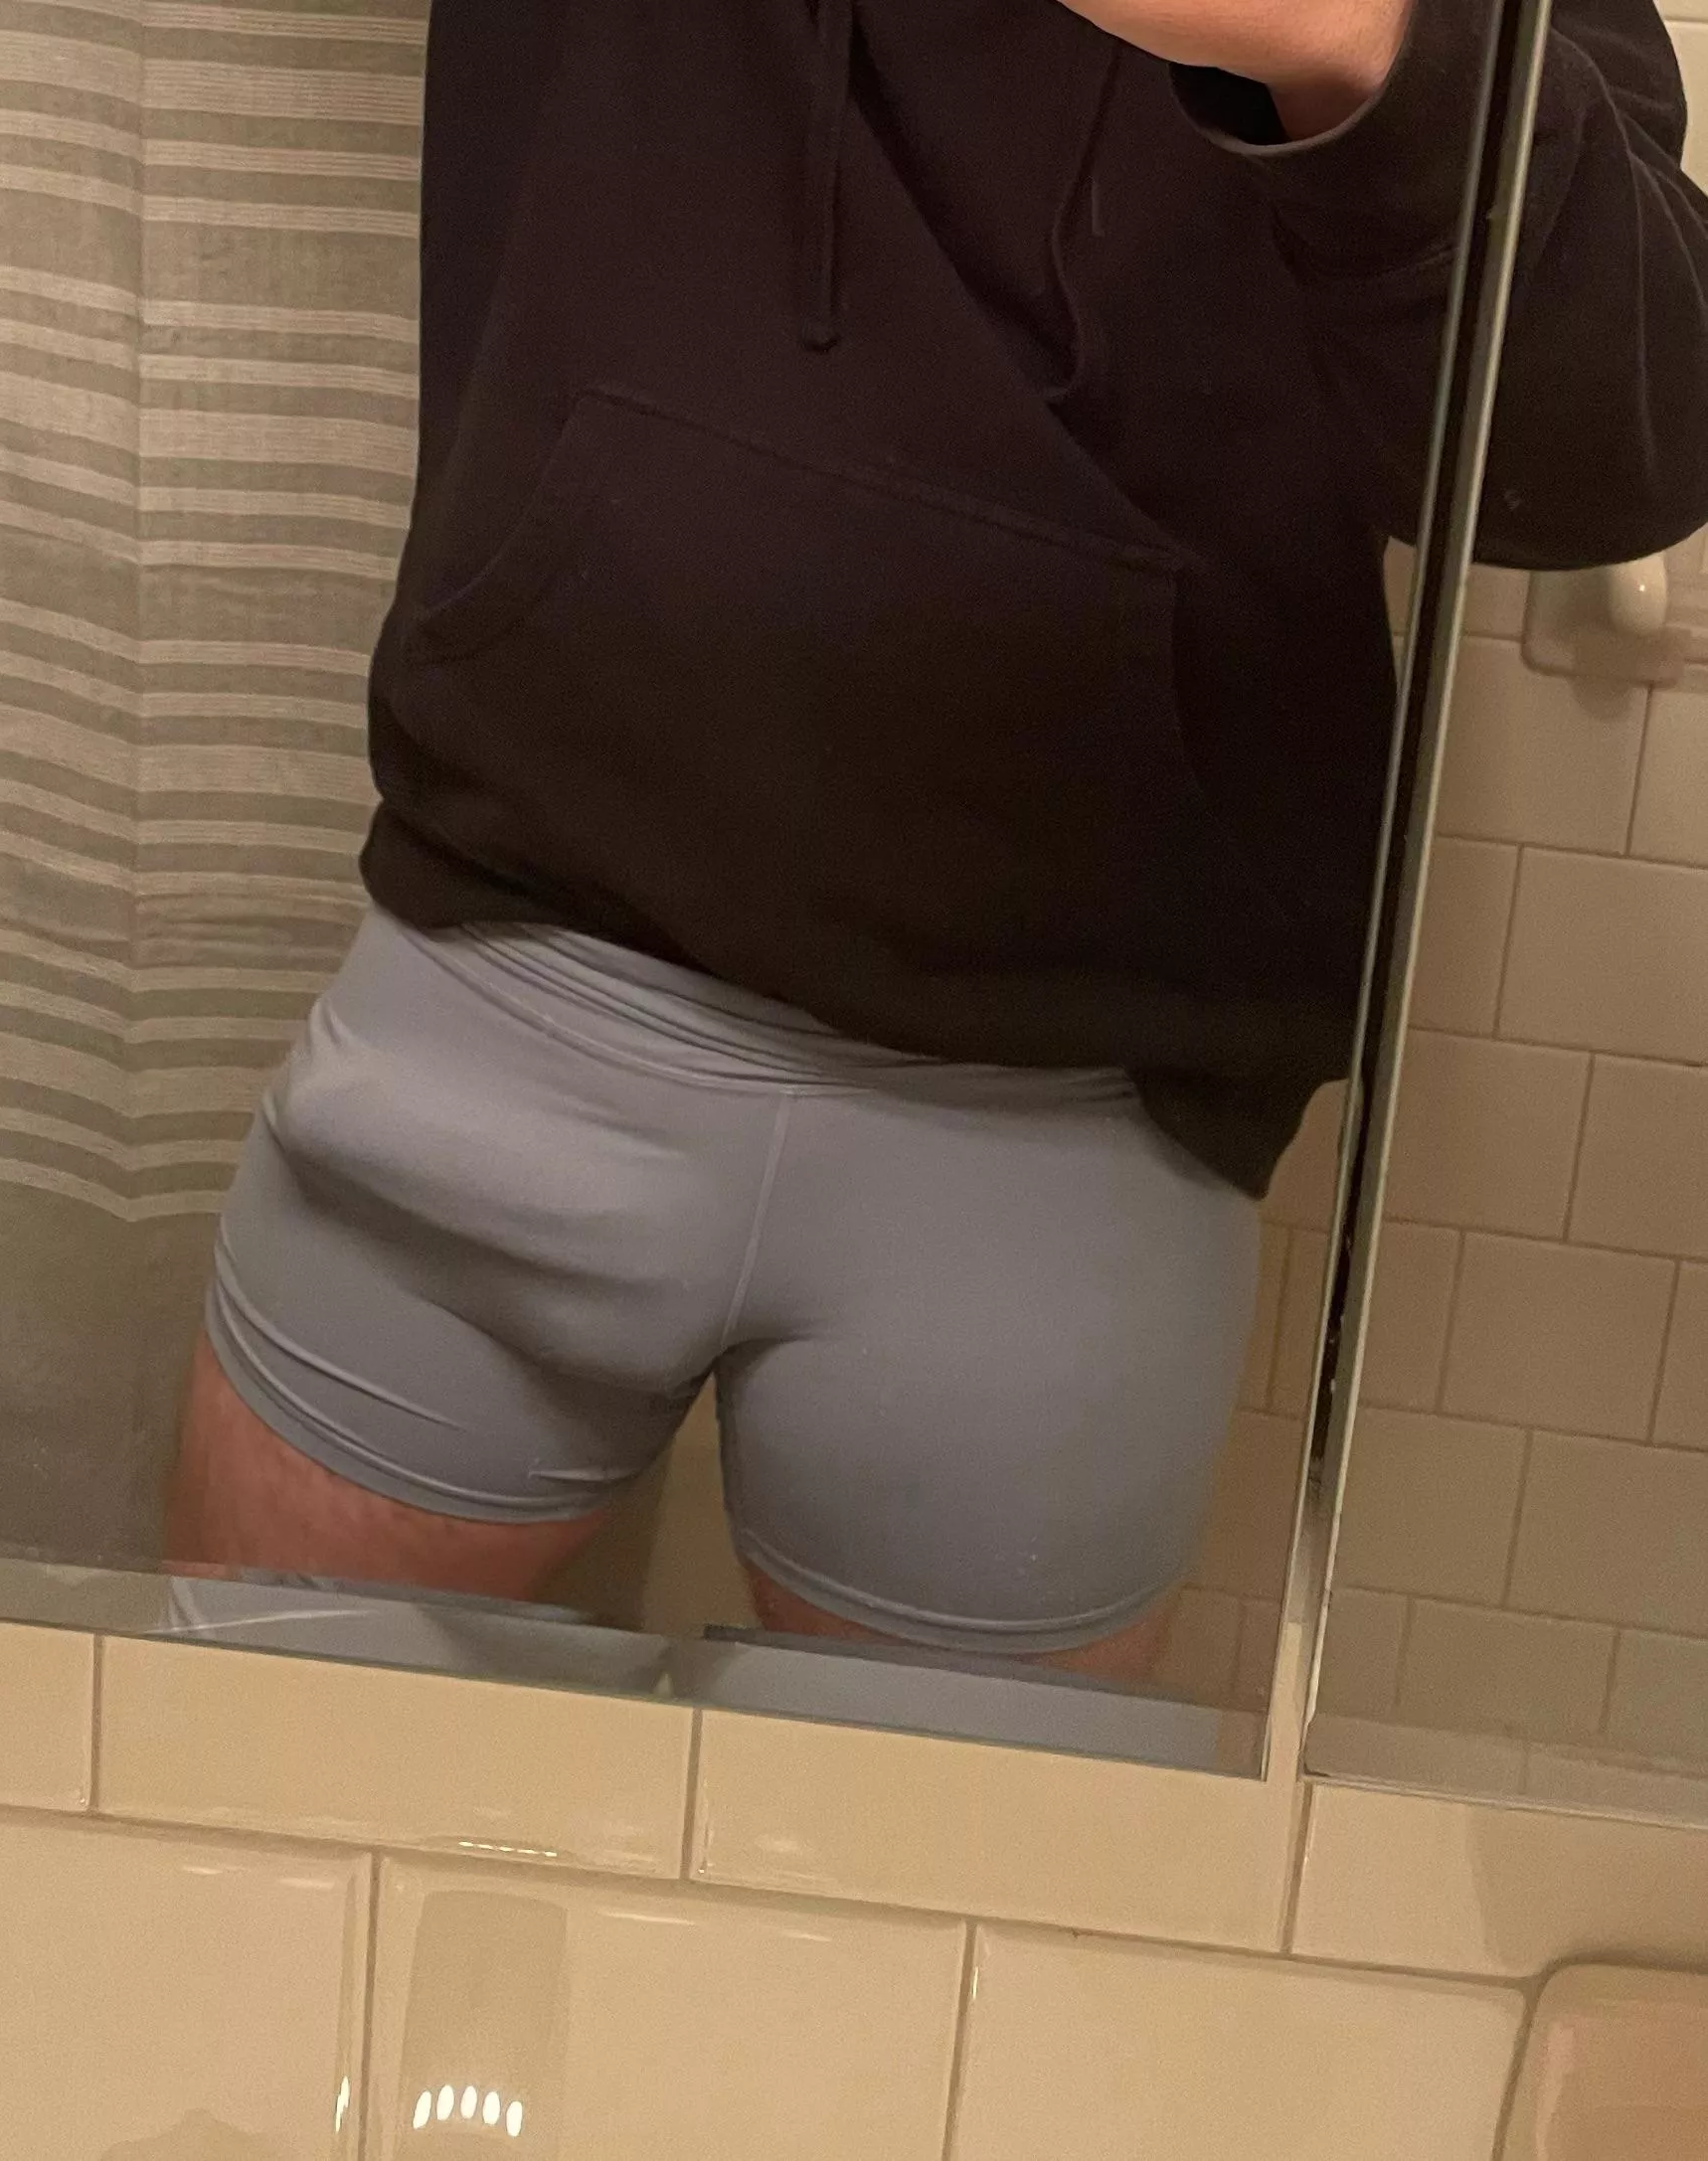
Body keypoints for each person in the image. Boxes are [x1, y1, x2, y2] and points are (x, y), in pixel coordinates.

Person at [165, 0, 1708, 1677]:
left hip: (1068, 1125)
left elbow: (1606, 452)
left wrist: (1349, 42)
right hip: (508, 982)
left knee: (958, 1866)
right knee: (227, 1801)